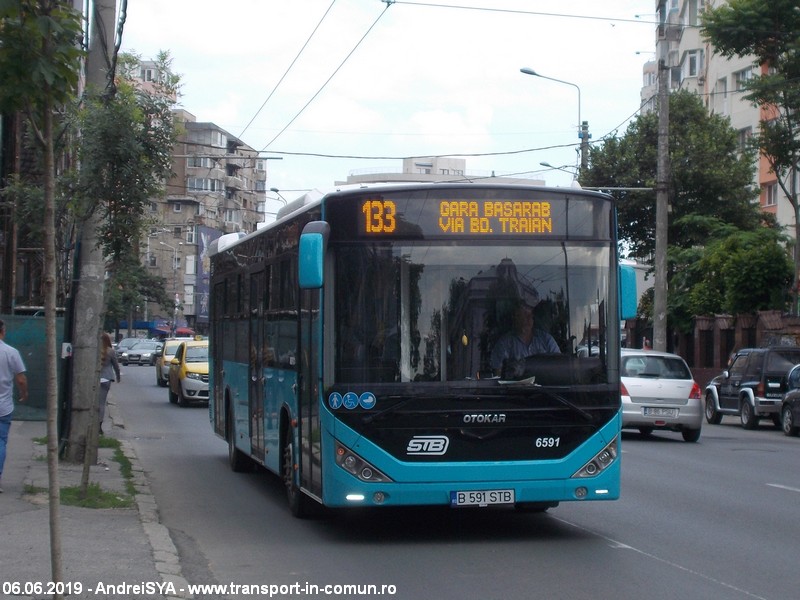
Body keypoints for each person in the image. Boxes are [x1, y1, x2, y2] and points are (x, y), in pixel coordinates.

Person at [490, 302, 560, 376]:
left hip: (544, 383)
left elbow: (559, 365)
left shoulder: (546, 340)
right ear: (515, 317)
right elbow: (498, 373)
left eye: (531, 315)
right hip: (515, 383)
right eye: (525, 315)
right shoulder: (504, 344)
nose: (529, 319)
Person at [0, 319, 28, 493]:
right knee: (0, 441)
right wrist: (24, 393)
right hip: (3, 406)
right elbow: (21, 379)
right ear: (3, 331)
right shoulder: (11, 352)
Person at [98, 332, 121, 435]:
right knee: (101, 403)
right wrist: (118, 376)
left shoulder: (95, 350)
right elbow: (115, 365)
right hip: (106, 378)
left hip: (96, 378)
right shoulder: (110, 351)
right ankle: (99, 425)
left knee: (94, 403)